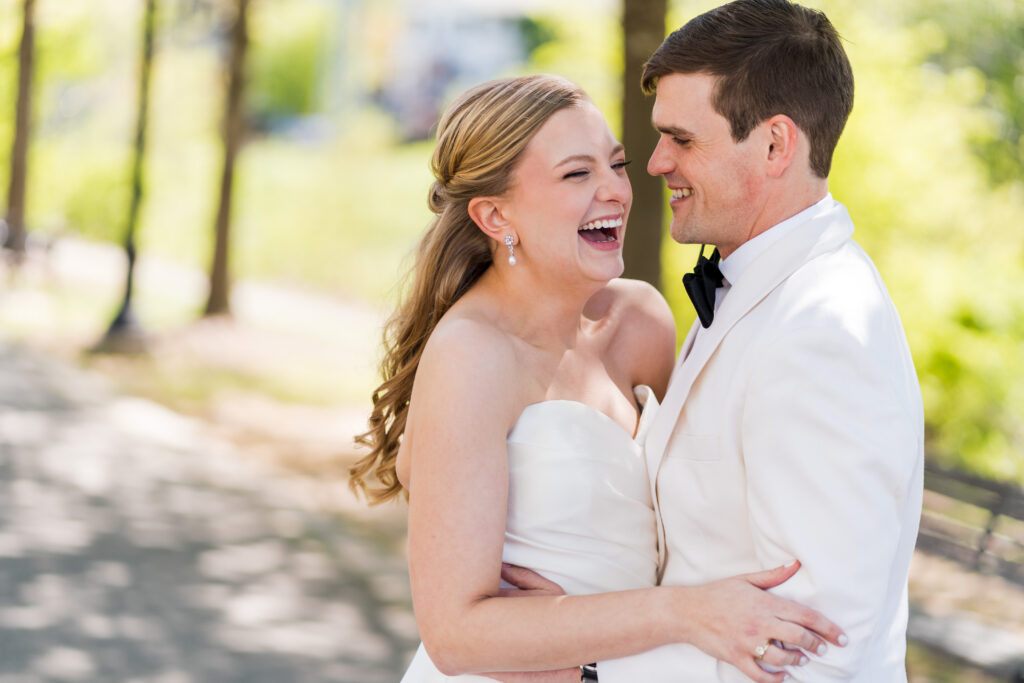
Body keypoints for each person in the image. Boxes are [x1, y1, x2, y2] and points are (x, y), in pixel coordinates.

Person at [349, 73, 845, 683]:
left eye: (617, 164)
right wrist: (683, 615)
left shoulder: (640, 322)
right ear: (496, 214)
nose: (615, 190)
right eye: (577, 174)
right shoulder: (471, 355)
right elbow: (455, 634)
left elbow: (687, 506)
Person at [577, 1, 924, 681]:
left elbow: (820, 650)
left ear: (774, 145)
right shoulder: (761, 289)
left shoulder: (823, 329)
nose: (654, 163)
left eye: (682, 139)